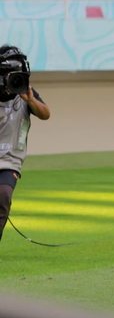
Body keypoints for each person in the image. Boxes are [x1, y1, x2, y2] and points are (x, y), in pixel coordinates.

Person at [0, 45, 50, 246]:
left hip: (10, 160)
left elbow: (45, 114)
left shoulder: (26, 92)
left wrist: (30, 100)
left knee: (2, 196)